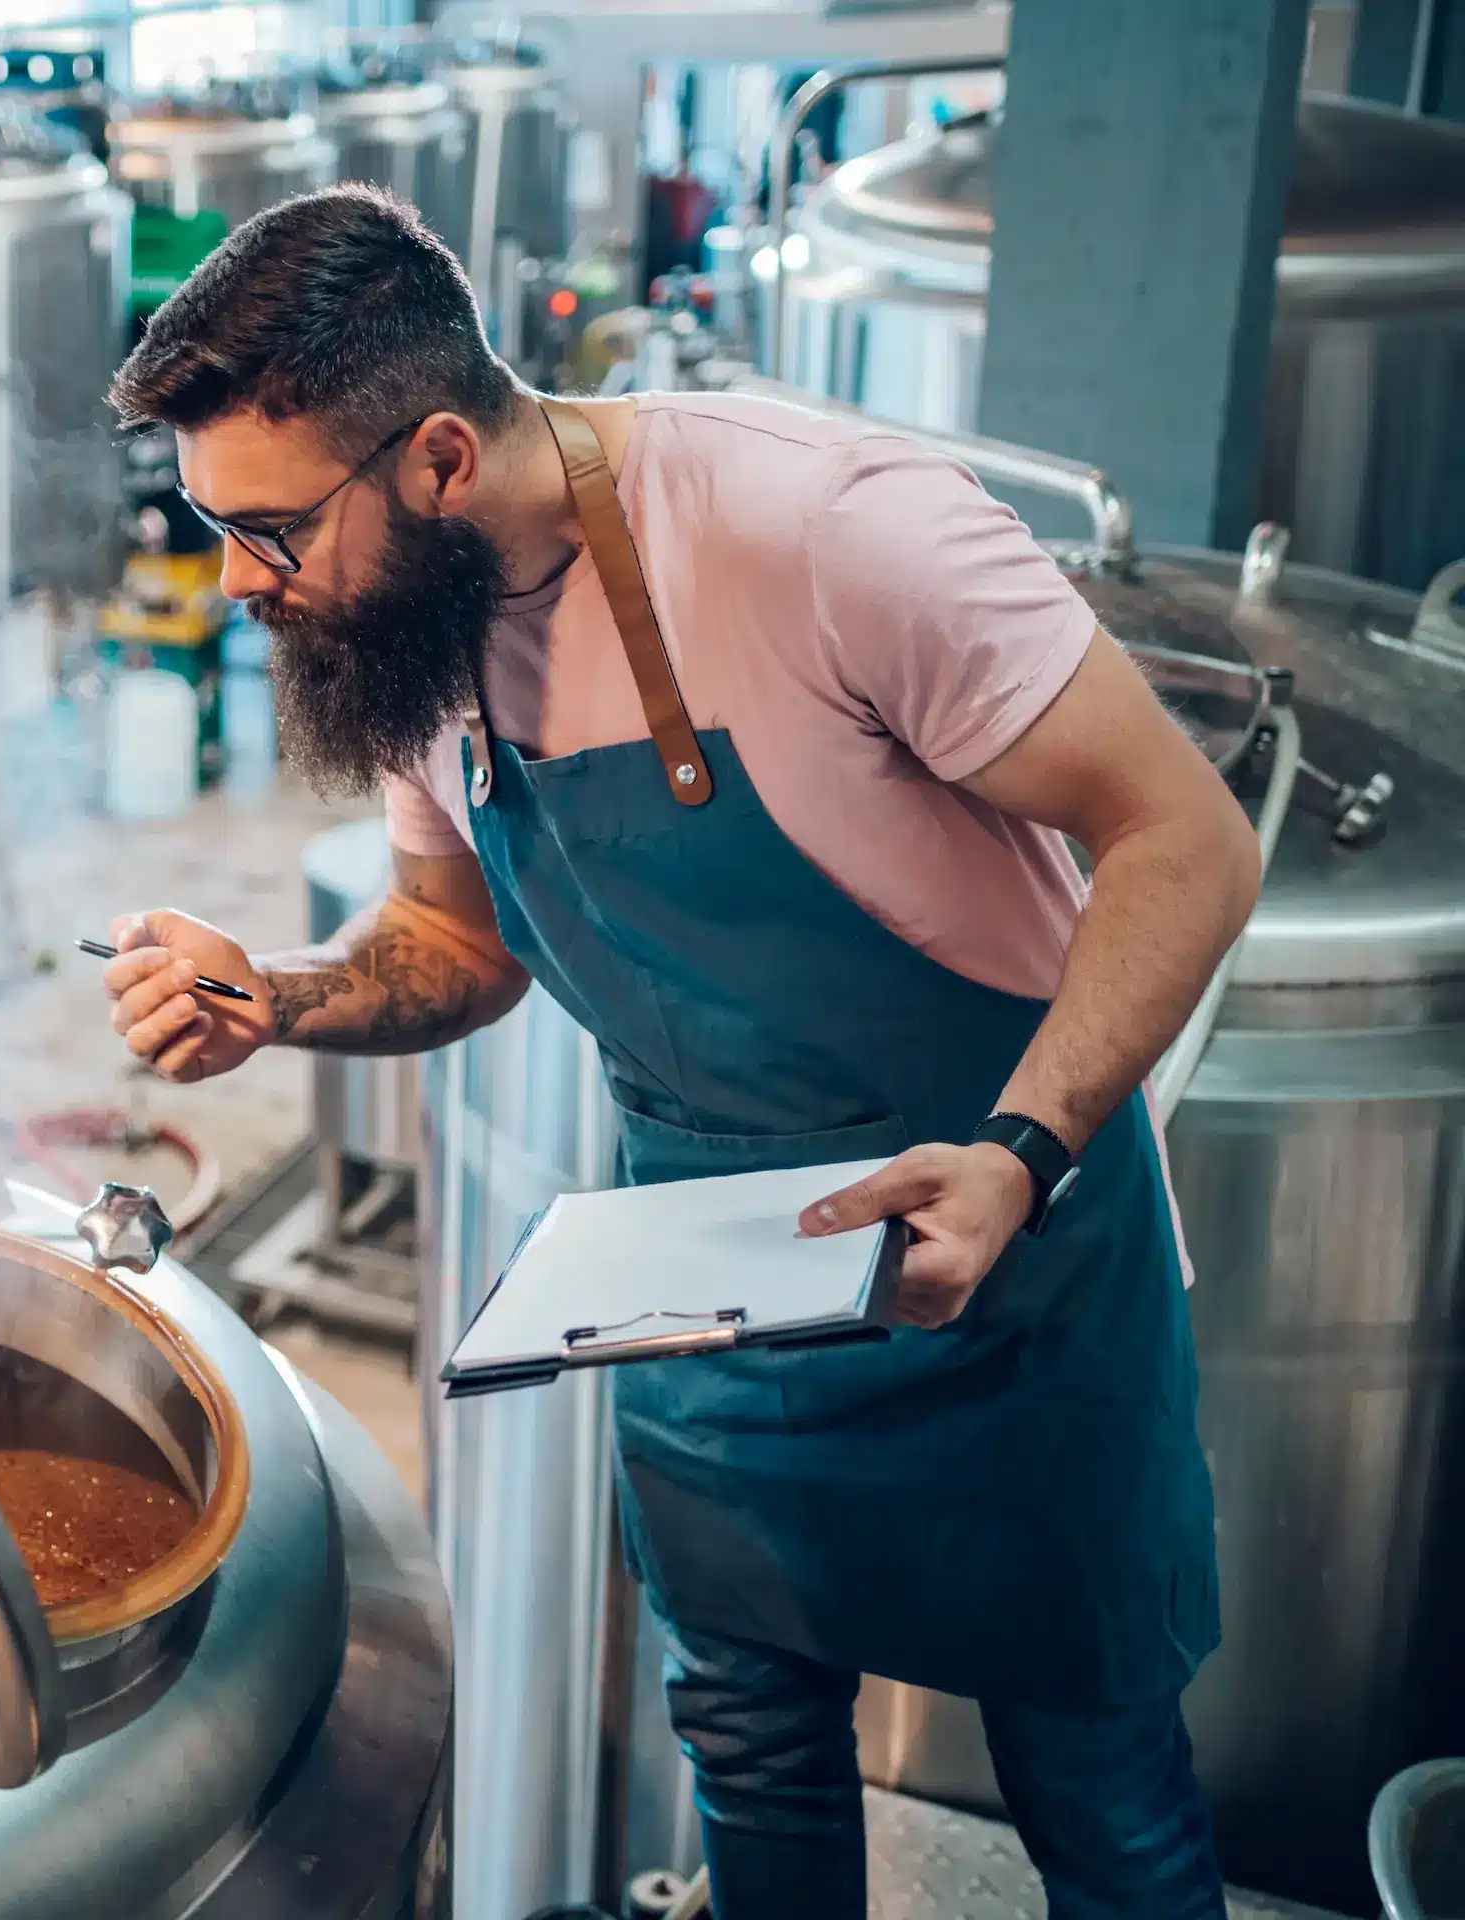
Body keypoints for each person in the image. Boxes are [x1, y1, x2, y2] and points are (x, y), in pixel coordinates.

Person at [99, 185, 1260, 1918]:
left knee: (1102, 1797)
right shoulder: (411, 635)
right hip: (702, 1287)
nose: (238, 586)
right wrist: (283, 993)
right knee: (751, 1758)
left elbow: (1186, 841)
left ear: (432, 459)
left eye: (267, 533)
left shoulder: (831, 533)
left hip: (1006, 1259)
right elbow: (452, 940)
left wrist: (1021, 1153)